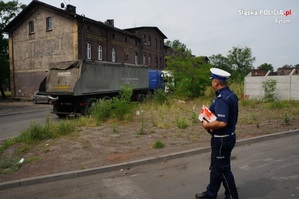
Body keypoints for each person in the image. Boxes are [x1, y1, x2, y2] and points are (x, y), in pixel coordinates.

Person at [195, 68, 239, 199]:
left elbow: (221, 122)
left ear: (216, 83)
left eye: (212, 81)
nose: (211, 84)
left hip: (222, 139)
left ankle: (232, 196)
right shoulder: (230, 95)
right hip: (226, 137)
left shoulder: (222, 98)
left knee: (223, 170)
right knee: (216, 168)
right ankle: (210, 194)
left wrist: (206, 124)